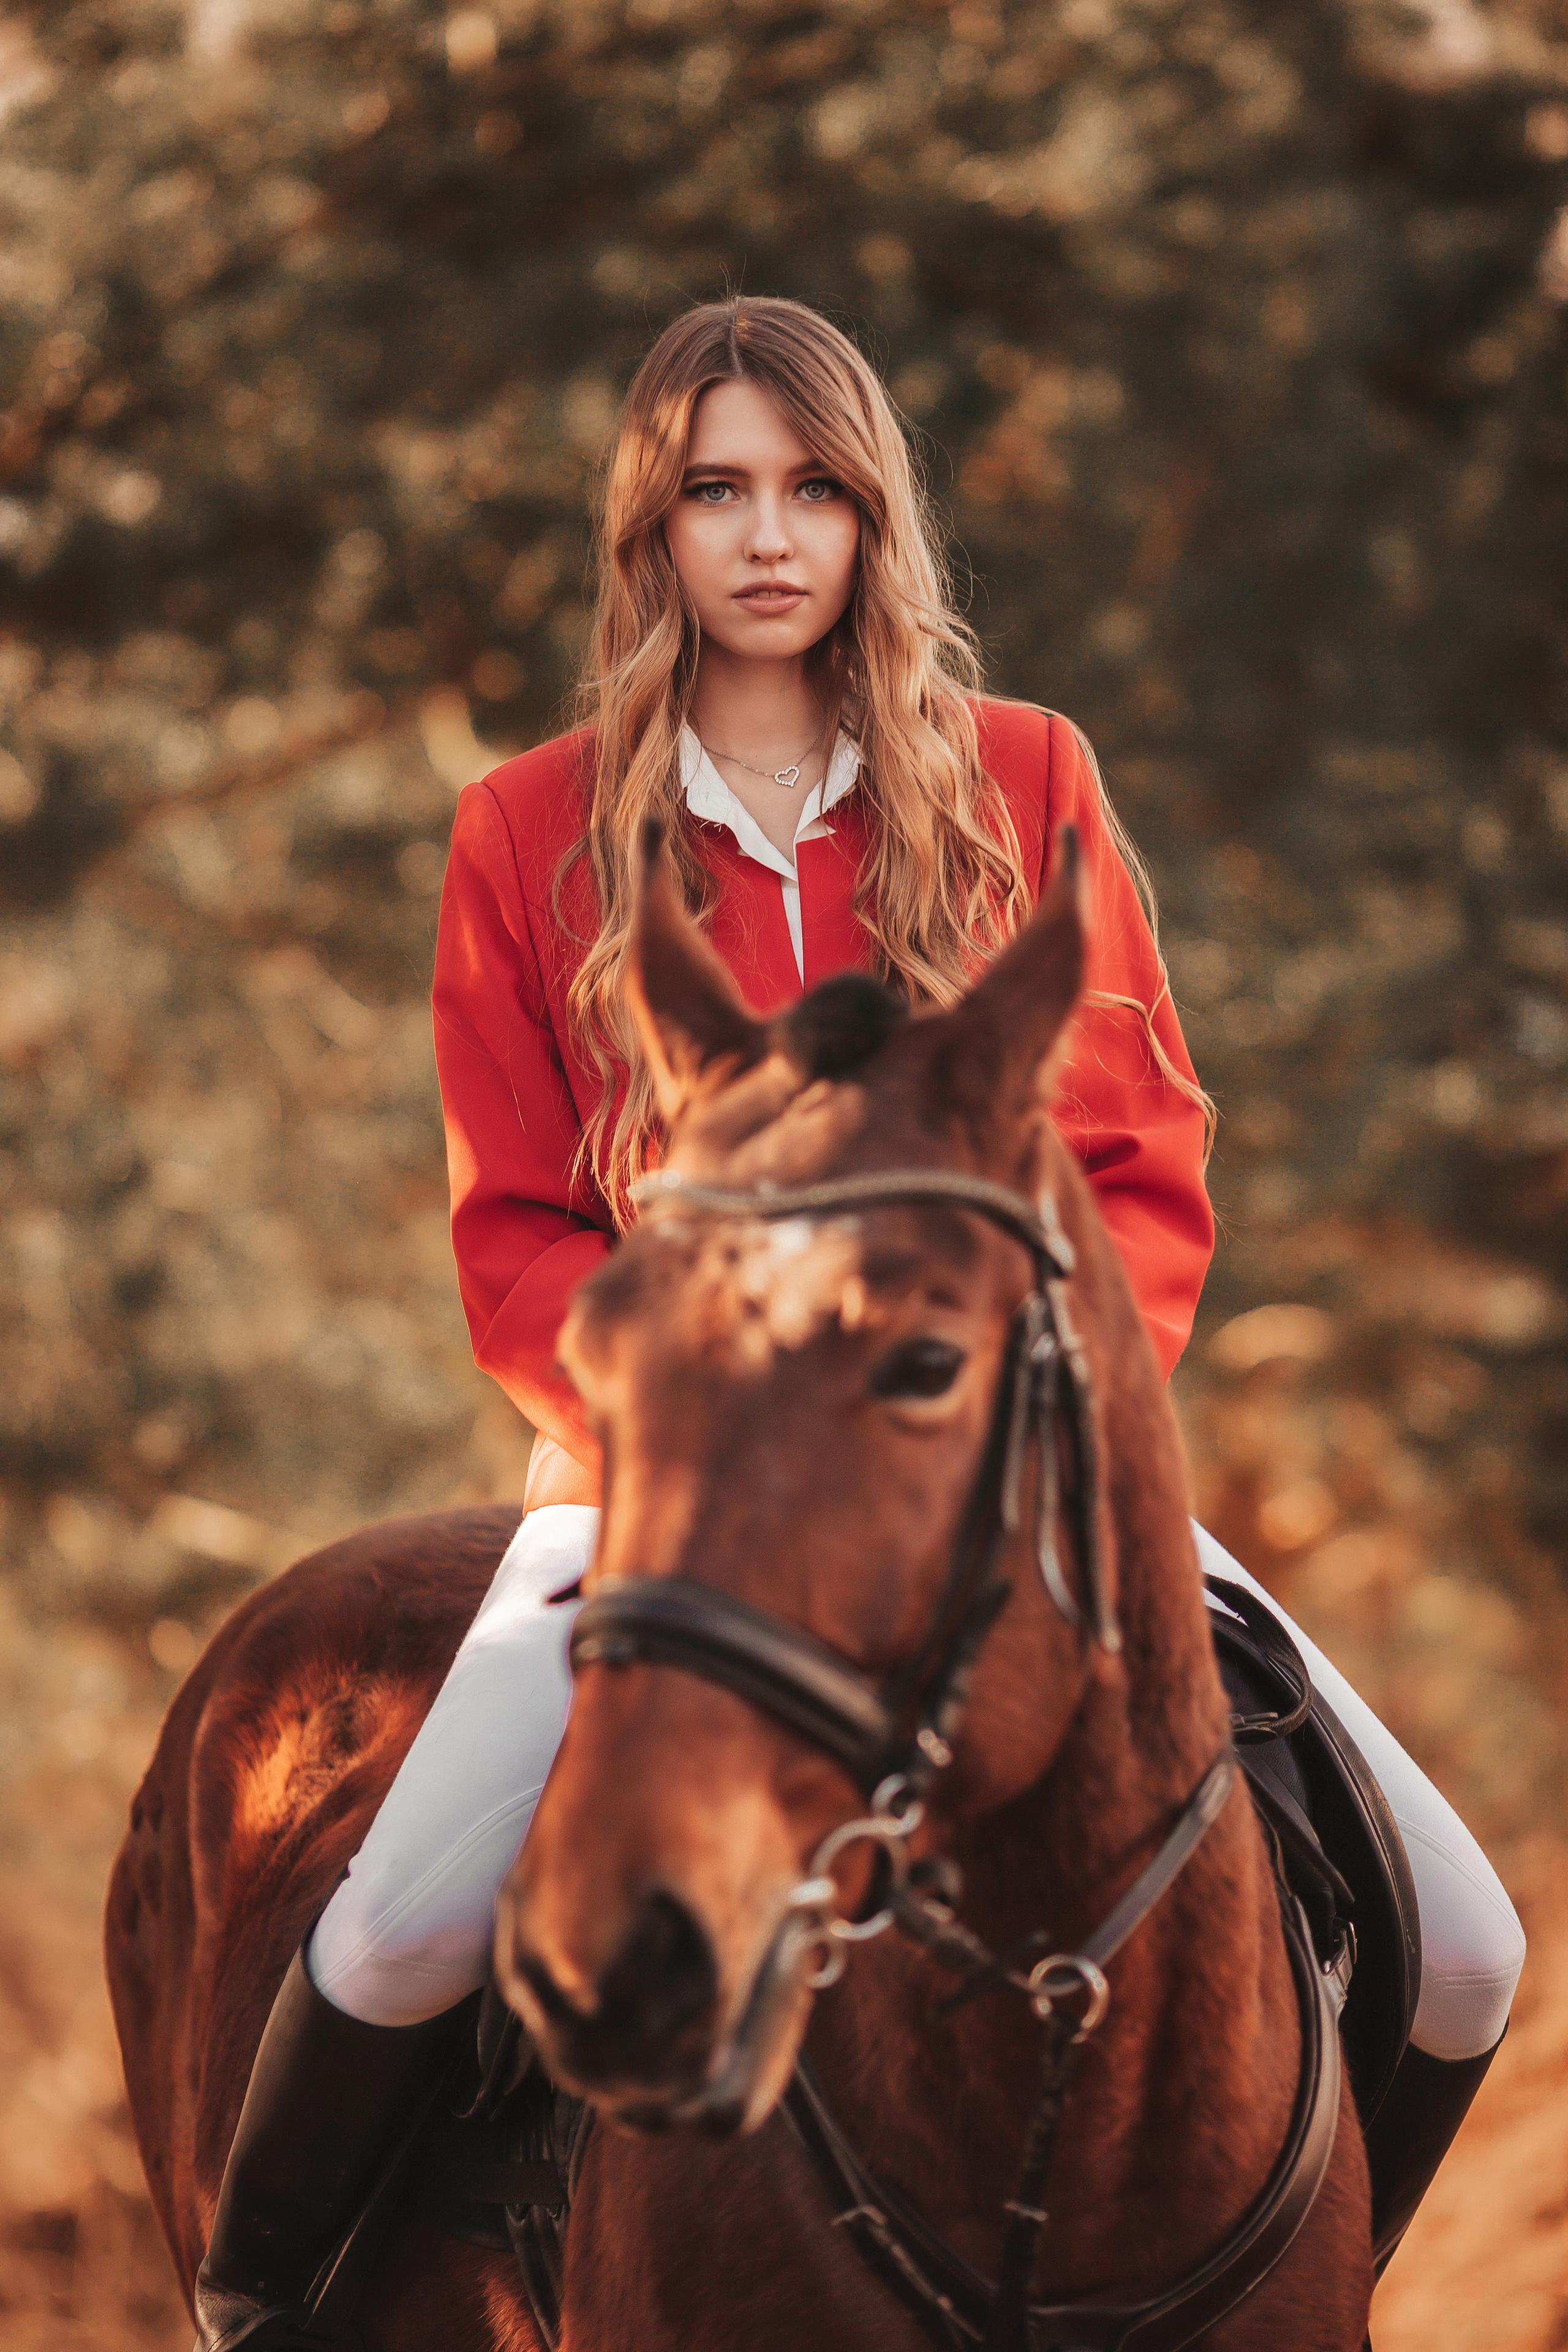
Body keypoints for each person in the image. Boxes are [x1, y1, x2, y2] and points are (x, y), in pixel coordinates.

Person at [192, 297, 1525, 2350]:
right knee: (392, 1936)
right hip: (656, 1500)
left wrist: (1017, 1441)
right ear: (655, 534)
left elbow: (1142, 1163)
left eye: (812, 488)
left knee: (1466, 1943)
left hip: (1022, 1469)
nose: (767, 535)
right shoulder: (528, 831)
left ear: (874, 519)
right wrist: (717, 1446)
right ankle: (264, 2302)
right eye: (716, 490)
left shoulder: (1024, 780)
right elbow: (521, 1237)